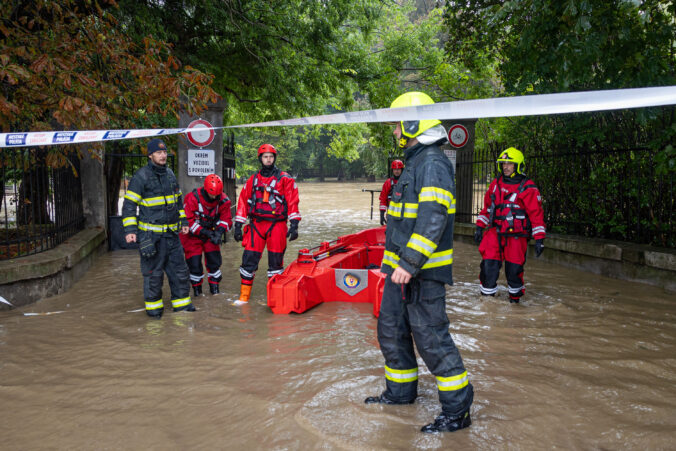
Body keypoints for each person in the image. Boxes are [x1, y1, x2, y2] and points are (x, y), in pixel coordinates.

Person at [365, 92, 474, 433]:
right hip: (400, 272)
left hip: (422, 273)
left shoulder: (432, 164)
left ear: (414, 123)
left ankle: (458, 412)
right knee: (392, 331)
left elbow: (433, 218)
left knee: (431, 339)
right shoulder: (415, 162)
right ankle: (400, 395)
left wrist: (409, 264)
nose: (395, 131)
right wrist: (396, 266)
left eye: (398, 124)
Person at [122, 138, 195, 318]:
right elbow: (129, 205)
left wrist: (184, 222)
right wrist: (130, 231)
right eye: (159, 153)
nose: (163, 156)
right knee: (153, 277)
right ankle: (154, 313)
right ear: (150, 155)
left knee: (180, 273)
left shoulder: (170, 174)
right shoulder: (141, 176)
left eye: (164, 153)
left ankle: (182, 308)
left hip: (172, 236)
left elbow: (178, 202)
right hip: (151, 238)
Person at [474, 147, 546, 303]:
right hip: (495, 233)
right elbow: (487, 208)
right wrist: (480, 226)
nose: (505, 166)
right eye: (503, 163)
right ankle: (487, 303)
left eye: (509, 163)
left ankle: (515, 303)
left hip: (516, 237)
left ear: (518, 165)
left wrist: (539, 239)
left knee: (514, 271)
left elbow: (536, 215)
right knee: (488, 267)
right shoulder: (495, 184)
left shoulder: (529, 187)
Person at [232, 144, 301, 306]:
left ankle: (275, 299)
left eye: (271, 156)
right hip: (256, 225)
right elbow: (243, 202)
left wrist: (294, 224)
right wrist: (238, 225)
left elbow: (293, 201)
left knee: (275, 263)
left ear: (274, 158)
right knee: (248, 260)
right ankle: (244, 298)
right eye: (265, 157)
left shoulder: (285, 179)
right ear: (260, 159)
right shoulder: (253, 179)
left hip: (277, 225)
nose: (268, 159)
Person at [180, 174, 233, 296]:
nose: (214, 197)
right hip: (193, 236)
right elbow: (188, 221)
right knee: (194, 264)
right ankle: (197, 293)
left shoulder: (224, 201)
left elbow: (226, 219)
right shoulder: (192, 198)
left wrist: (219, 232)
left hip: (211, 234)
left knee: (214, 262)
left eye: (217, 195)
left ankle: (215, 291)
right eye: (212, 194)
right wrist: (204, 232)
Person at [378, 159, 404, 225]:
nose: (396, 171)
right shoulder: (388, 183)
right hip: (391, 216)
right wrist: (382, 215)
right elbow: (383, 199)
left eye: (398, 169)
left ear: (402, 170)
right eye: (395, 169)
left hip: (404, 216)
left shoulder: (406, 182)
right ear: (392, 170)